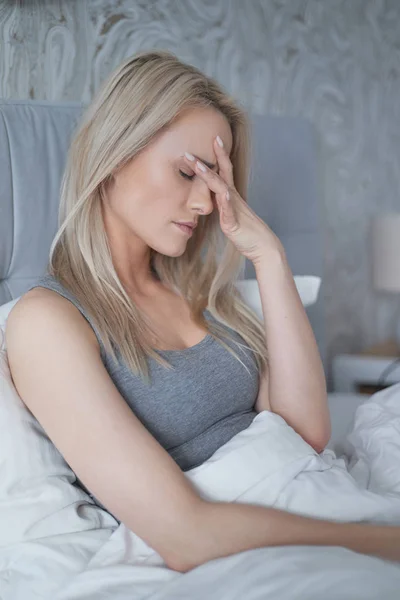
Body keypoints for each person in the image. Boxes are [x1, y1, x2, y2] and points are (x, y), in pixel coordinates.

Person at [5, 50, 400, 574]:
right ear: (115, 156)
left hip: (314, 492)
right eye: (188, 172)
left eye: (215, 179)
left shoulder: (202, 294)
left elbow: (305, 431)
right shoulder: (48, 321)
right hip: (246, 540)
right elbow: (185, 534)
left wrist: (269, 257)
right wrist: (377, 541)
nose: (205, 203)